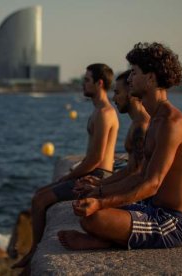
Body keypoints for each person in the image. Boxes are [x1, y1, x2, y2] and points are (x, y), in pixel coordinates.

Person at [58, 42, 182, 250]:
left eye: (134, 73)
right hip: (151, 208)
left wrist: (101, 202)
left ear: (150, 78)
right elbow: (139, 175)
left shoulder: (171, 123)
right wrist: (99, 190)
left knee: (93, 219)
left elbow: (152, 183)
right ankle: (109, 238)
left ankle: (102, 242)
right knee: (87, 202)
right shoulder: (156, 118)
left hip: (172, 222)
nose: (129, 78)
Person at [13, 63, 119, 270]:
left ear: (99, 83)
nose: (82, 84)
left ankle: (34, 251)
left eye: (86, 80)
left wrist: (67, 178)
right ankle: (33, 249)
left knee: (39, 200)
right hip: (94, 170)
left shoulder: (105, 114)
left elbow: (96, 158)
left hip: (99, 174)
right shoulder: (99, 111)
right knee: (40, 194)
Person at [73, 70, 150, 198]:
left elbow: (137, 176)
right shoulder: (136, 123)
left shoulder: (141, 128)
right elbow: (130, 169)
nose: (113, 98)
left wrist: (99, 190)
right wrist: (100, 183)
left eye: (117, 92)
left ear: (131, 93)